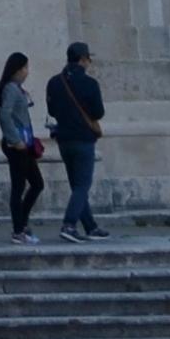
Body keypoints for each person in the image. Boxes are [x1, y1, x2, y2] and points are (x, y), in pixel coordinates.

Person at [45, 42, 107, 240]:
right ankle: (69, 224)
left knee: (76, 185)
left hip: (63, 139)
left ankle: (90, 226)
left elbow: (52, 110)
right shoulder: (90, 84)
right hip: (83, 139)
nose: (89, 62)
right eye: (88, 58)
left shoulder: (54, 82)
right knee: (82, 185)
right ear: (82, 59)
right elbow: (99, 112)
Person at [0, 51, 47, 243]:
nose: (27, 72)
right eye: (24, 68)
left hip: (24, 144)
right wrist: (15, 140)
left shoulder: (15, 89)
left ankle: (22, 224)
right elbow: (4, 115)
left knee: (37, 184)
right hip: (17, 145)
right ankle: (18, 230)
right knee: (19, 187)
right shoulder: (11, 89)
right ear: (17, 69)